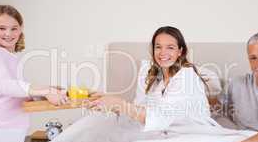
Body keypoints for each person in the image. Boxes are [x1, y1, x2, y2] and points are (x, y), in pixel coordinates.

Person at [88, 26, 219, 131]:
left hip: (192, 136)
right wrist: (109, 102)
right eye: (158, 47)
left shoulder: (186, 76)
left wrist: (119, 104)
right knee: (99, 125)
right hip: (168, 134)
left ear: (180, 52)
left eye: (170, 47)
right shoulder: (159, 81)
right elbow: (141, 112)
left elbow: (159, 117)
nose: (163, 53)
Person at [0, 5, 68, 142]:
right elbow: (6, 85)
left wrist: (46, 90)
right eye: (2, 28)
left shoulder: (11, 57)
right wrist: (45, 91)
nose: (8, 33)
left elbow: (14, 93)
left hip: (14, 126)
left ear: (21, 30)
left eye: (14, 28)